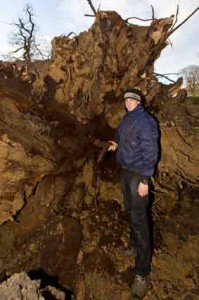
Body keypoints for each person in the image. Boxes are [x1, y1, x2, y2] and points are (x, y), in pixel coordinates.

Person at [108, 88, 159, 298]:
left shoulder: (146, 122)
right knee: (130, 210)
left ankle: (142, 273)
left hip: (139, 175)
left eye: (132, 99)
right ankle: (135, 246)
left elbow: (151, 151)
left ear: (139, 101)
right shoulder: (127, 119)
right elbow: (120, 135)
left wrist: (145, 179)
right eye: (126, 99)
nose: (128, 102)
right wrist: (116, 143)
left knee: (139, 220)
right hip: (126, 173)